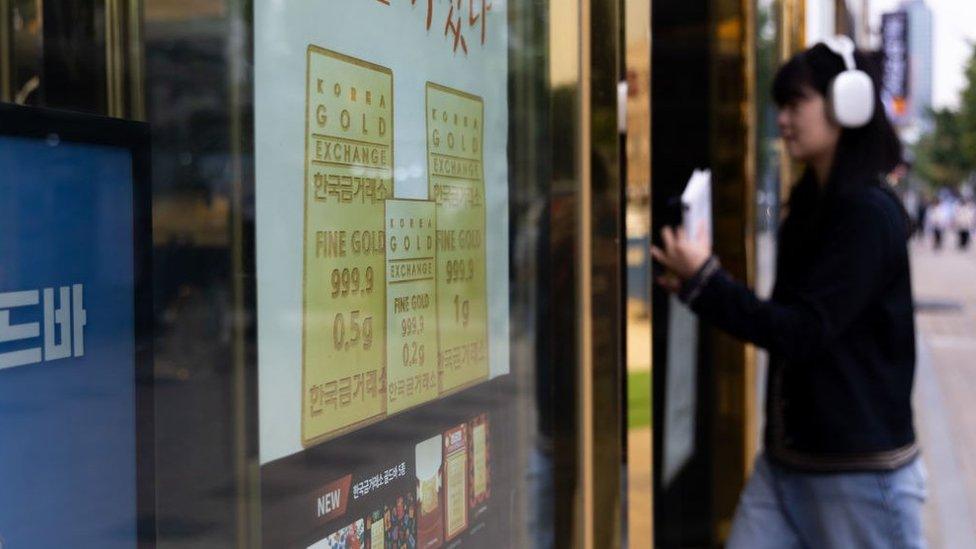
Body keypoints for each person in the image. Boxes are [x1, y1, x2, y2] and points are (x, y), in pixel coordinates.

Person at [651, 39, 924, 548]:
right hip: (786, 467)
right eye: (780, 106)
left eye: (795, 104)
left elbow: (802, 330)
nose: (783, 120)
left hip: (859, 478)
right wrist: (698, 285)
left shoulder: (868, 214)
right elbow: (785, 321)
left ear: (847, 103)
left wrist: (707, 281)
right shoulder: (812, 207)